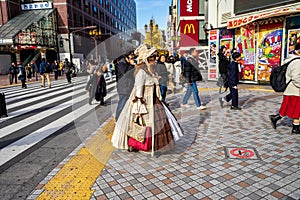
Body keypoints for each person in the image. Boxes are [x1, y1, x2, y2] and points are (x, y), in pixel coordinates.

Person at [111, 44, 183, 154]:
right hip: (144, 102)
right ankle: (142, 145)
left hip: (154, 101)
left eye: (154, 58)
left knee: (160, 123)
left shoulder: (150, 71)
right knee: (143, 125)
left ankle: (156, 146)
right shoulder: (141, 72)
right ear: (146, 59)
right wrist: (139, 108)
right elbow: (139, 91)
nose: (154, 61)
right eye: (151, 59)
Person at [269, 44, 300, 134]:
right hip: (295, 90)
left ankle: (276, 118)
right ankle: (295, 128)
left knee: (290, 108)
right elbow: (296, 77)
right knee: (296, 109)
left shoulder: (291, 59)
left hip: (291, 90)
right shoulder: (297, 62)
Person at [115, 51, 135, 121]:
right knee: (122, 104)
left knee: (126, 104)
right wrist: (132, 65)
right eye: (131, 55)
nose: (133, 56)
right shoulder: (121, 63)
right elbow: (126, 73)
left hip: (129, 87)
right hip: (124, 87)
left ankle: (123, 119)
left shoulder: (127, 63)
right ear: (127, 56)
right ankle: (117, 119)